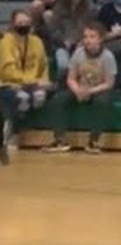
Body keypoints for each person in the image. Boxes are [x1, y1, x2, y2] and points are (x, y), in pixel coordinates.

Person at [44, 22, 116, 154]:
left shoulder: (108, 56)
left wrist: (90, 91)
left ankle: (94, 141)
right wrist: (77, 90)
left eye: (92, 36)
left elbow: (109, 83)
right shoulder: (78, 53)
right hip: (80, 88)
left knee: (102, 102)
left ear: (100, 39)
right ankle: (60, 140)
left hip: (98, 89)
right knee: (58, 101)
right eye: (85, 36)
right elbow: (71, 78)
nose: (88, 40)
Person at [0, 10, 52, 151]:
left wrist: (44, 81)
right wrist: (32, 82)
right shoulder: (5, 42)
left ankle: (28, 130)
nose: (24, 25)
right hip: (8, 83)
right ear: (13, 24)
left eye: (27, 23)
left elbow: (43, 66)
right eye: (20, 23)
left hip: (32, 84)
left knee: (39, 95)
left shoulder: (36, 41)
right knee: (21, 98)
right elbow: (8, 71)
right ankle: (12, 133)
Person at [49, 0, 96, 79]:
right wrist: (63, 41)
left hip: (83, 45)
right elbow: (53, 30)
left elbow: (93, 28)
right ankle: (61, 86)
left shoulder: (90, 8)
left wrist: (83, 41)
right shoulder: (59, 7)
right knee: (63, 64)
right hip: (62, 45)